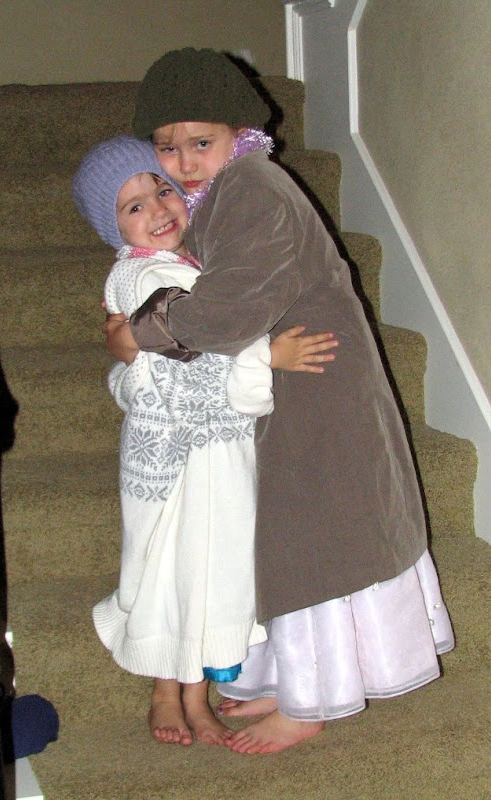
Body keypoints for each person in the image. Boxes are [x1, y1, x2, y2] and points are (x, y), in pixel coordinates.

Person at [104, 48, 455, 755]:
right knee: (278, 533)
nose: (184, 162)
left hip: (315, 380)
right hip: (278, 377)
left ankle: (311, 700)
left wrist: (136, 333)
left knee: (312, 535)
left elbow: (229, 309)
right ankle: (286, 674)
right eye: (167, 147)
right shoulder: (219, 193)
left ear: (238, 132)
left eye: (200, 142)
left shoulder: (253, 187)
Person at [72, 134, 336, 747]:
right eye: (133, 206)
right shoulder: (144, 276)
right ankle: (167, 692)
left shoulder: (185, 263)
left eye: (162, 189)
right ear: (113, 228)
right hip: (181, 457)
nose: (157, 208)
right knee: (172, 567)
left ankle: (194, 696)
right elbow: (192, 352)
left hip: (206, 450)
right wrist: (268, 356)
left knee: (201, 569)